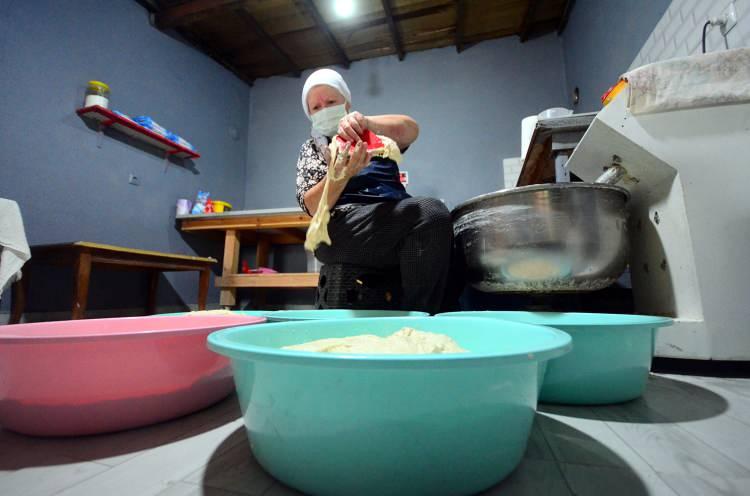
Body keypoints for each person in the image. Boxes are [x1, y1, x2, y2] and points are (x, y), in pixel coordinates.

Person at [295, 68, 453, 314]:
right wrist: (340, 175)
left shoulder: (373, 134)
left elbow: (411, 130)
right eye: (316, 107)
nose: (324, 109)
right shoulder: (312, 149)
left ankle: (436, 315)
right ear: (310, 114)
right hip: (340, 231)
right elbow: (313, 207)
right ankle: (419, 318)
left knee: (444, 226)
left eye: (331, 102)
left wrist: (367, 123)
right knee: (429, 211)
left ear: (346, 103)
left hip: (390, 221)